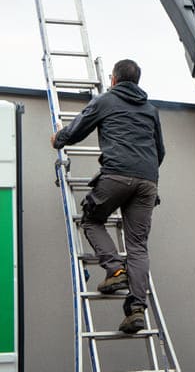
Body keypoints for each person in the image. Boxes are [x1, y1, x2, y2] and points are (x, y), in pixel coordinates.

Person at [50, 59, 165, 334]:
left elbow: (77, 130)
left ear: (113, 79)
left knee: (91, 220)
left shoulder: (106, 101)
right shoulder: (151, 109)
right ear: (137, 82)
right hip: (148, 181)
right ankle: (136, 310)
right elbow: (160, 150)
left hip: (116, 176)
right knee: (137, 246)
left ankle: (114, 270)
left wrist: (58, 139)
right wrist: (141, 173)